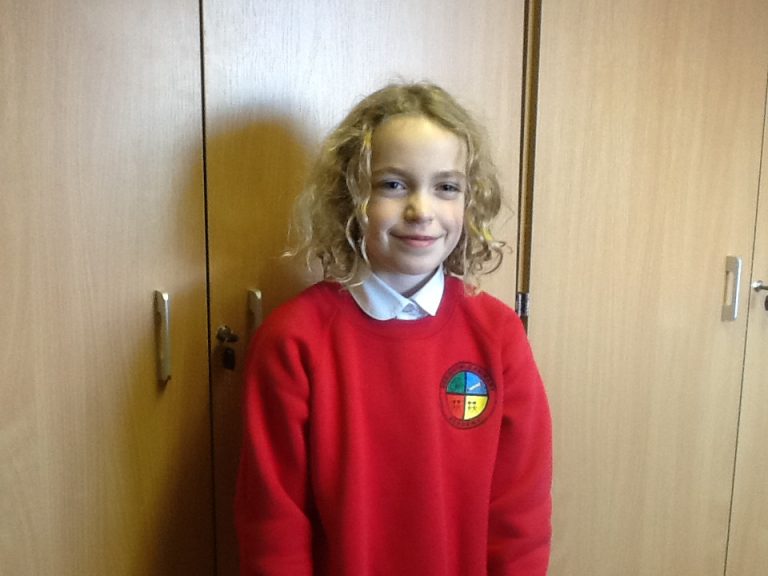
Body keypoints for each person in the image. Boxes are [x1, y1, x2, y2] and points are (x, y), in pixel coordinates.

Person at [235, 82, 552, 575]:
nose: (421, 211)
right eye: (393, 185)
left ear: (470, 202)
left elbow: (521, 512)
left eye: (446, 187)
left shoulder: (498, 334)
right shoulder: (294, 340)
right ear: (351, 197)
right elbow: (274, 527)